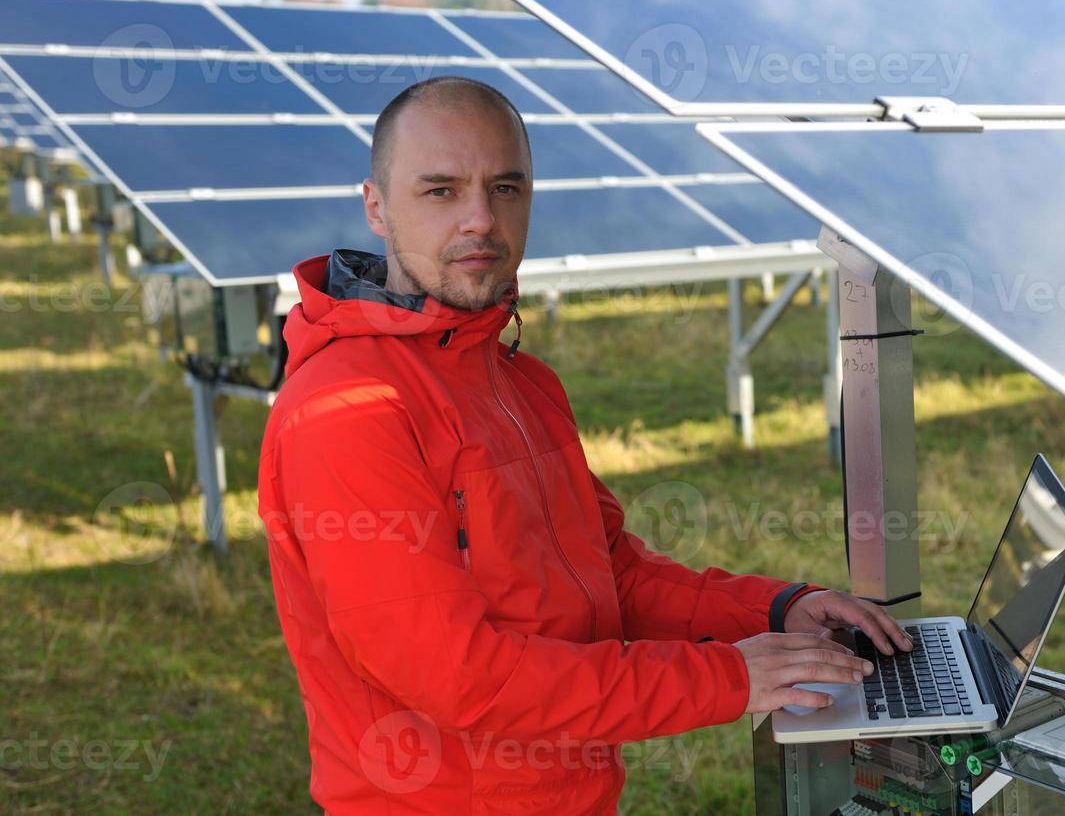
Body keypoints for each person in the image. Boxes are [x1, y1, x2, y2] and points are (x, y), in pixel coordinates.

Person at [257, 76, 913, 813]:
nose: (481, 219)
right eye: (440, 191)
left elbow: (613, 579)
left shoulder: (519, 381)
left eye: (506, 188)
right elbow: (459, 676)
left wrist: (775, 611)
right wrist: (730, 677)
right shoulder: (348, 412)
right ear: (376, 207)